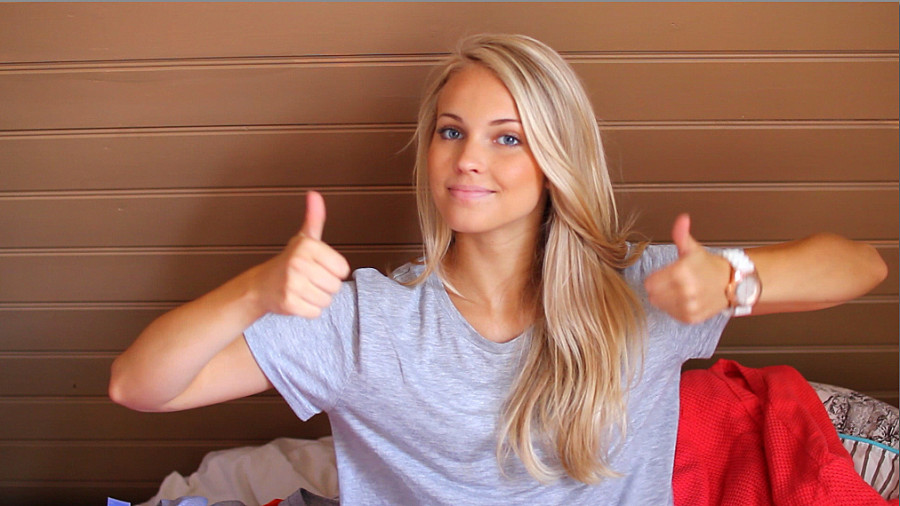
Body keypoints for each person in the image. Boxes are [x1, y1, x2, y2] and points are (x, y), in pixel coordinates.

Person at [109, 34, 888, 504]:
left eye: (507, 137)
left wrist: (732, 279)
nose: (468, 158)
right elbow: (138, 387)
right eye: (451, 132)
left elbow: (861, 266)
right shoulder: (364, 321)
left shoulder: (647, 289)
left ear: (556, 162)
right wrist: (253, 291)